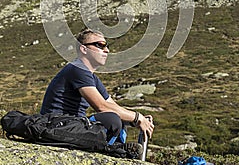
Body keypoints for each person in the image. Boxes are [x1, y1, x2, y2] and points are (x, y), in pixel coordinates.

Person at [40, 28, 154, 157]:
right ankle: (113, 150)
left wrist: (137, 119)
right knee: (112, 119)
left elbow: (113, 106)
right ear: (84, 49)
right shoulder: (77, 69)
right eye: (100, 45)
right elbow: (102, 107)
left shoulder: (91, 77)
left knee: (118, 119)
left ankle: (117, 149)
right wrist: (137, 118)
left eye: (106, 46)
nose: (106, 50)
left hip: (72, 125)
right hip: (57, 126)